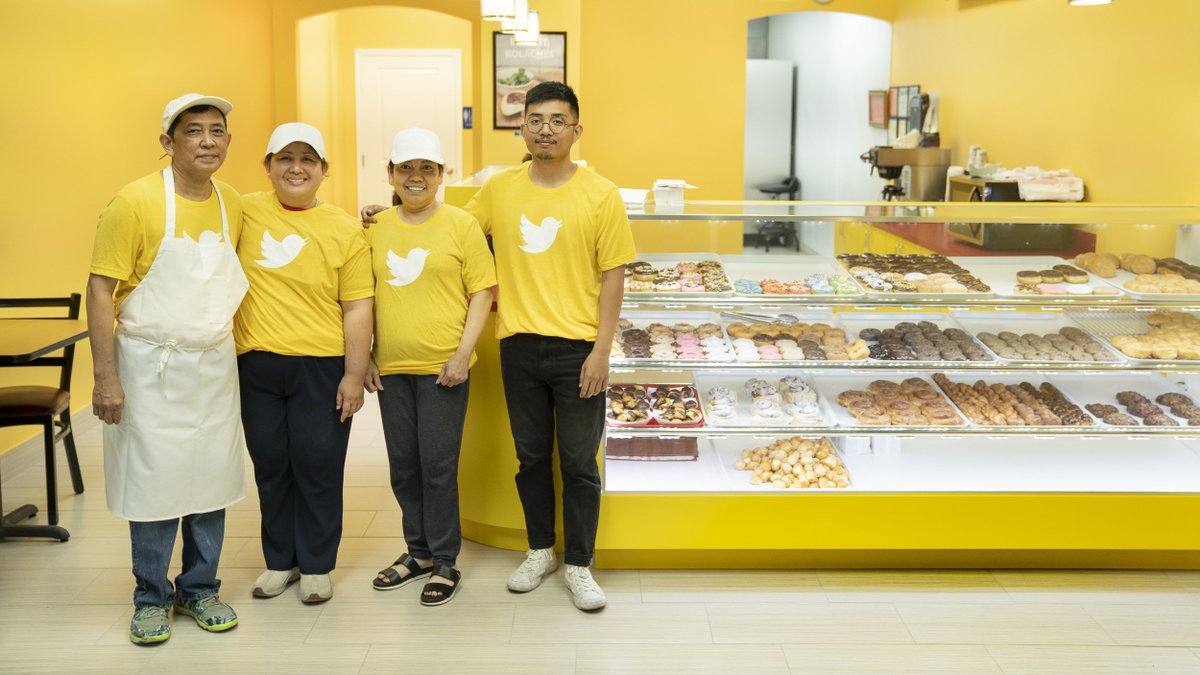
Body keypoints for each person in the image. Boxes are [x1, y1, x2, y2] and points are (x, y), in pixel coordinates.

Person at [465, 82, 635, 610]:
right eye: (535, 120)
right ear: (522, 128)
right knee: (531, 458)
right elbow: (452, 232)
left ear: (576, 131)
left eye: (557, 121)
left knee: (581, 463)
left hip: (579, 349)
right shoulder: (500, 188)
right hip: (519, 345)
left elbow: (613, 277)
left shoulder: (601, 194)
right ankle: (540, 549)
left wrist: (602, 352)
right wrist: (397, 211)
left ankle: (580, 564)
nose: (545, 129)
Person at [87, 93, 247, 644]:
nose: (208, 141)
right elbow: (101, 290)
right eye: (194, 131)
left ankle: (200, 587)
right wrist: (105, 376)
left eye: (218, 131)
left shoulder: (232, 203)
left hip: (213, 364)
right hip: (149, 363)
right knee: (154, 483)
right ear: (167, 143)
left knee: (211, 479)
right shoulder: (133, 203)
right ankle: (151, 596)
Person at [234, 123, 374, 604]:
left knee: (317, 464)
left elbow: (357, 305)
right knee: (270, 465)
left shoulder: (343, 228)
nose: (296, 168)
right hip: (256, 363)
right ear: (268, 166)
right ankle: (279, 562)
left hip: (321, 365)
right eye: (285, 158)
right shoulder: (243, 211)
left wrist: (354, 375)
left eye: (307, 160)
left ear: (324, 170)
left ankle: (315, 565)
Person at [364, 128, 496, 606]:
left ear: (442, 175)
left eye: (427, 168)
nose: (416, 178)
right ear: (391, 175)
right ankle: (416, 553)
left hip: (444, 369)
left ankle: (444, 561)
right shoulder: (375, 228)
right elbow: (360, 296)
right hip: (391, 368)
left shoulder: (461, 225)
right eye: (406, 169)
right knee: (404, 468)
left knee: (437, 467)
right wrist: (365, 359)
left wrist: (463, 353)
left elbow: (483, 290)